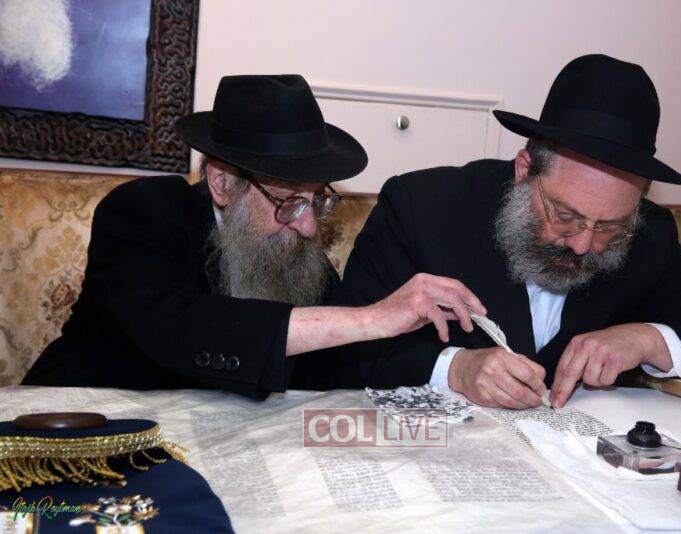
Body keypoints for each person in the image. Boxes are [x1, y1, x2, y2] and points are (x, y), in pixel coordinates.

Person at [326, 54, 681, 408]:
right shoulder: (422, 208)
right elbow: (340, 354)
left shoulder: (651, 238)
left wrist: (647, 339)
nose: (584, 244)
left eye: (610, 227)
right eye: (565, 215)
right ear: (525, 170)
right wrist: (455, 368)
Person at [23, 75, 485, 399]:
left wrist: (457, 368)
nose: (308, 227)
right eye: (289, 202)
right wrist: (372, 318)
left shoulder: (297, 254)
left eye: (317, 201)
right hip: (76, 422)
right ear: (223, 184)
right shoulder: (142, 212)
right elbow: (180, 328)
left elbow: (341, 363)